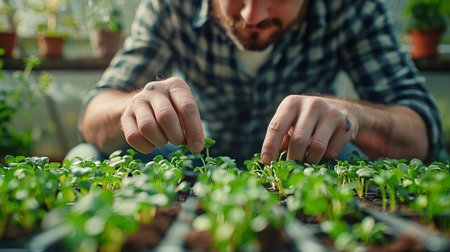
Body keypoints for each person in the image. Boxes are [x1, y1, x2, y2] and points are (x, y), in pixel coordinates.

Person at [69, 0, 443, 165]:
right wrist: (134, 106)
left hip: (303, 166)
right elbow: (94, 113)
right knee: (82, 158)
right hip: (195, 162)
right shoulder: (171, 5)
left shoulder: (352, 7)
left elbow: (423, 131)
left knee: (346, 153)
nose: (252, 15)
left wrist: (355, 115)